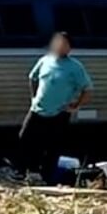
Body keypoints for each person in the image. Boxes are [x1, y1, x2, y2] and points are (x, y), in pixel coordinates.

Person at [18, 32, 93, 184]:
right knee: (25, 137)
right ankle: (30, 170)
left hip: (59, 113)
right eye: (57, 42)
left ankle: (47, 176)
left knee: (53, 146)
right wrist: (34, 97)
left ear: (69, 48)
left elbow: (87, 88)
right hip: (37, 109)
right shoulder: (44, 60)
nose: (59, 46)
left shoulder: (75, 67)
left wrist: (77, 105)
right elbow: (33, 77)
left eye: (64, 43)